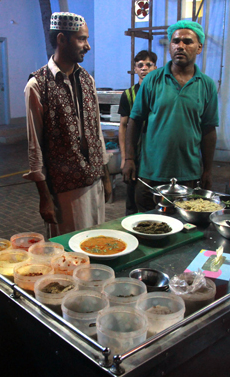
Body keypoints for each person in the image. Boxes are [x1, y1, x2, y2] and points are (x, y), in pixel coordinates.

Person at [23, 12, 111, 238]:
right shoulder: (37, 85)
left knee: (97, 245)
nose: (87, 46)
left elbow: (96, 132)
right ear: (61, 39)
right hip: (65, 192)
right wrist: (45, 198)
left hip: (94, 184)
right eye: (82, 39)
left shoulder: (87, 79)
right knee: (70, 256)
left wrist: (106, 177)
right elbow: (35, 147)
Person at [122, 20, 219, 213]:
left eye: (187, 42)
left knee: (184, 226)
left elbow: (208, 130)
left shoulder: (206, 85)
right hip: (150, 173)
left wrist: (207, 170)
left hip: (188, 175)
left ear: (199, 48)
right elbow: (135, 121)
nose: (180, 46)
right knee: (146, 225)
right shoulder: (152, 80)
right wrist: (130, 159)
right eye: (175, 41)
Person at [118, 50, 158, 215]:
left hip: (155, 152)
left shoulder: (160, 92)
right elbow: (123, 126)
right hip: (135, 152)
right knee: (132, 197)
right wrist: (124, 157)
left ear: (155, 67)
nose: (144, 68)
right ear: (135, 69)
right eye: (140, 65)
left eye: (148, 64)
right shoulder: (128, 95)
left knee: (153, 195)